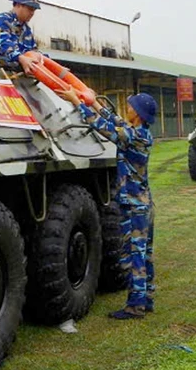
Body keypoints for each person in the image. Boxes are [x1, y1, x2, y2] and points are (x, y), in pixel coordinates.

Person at [56, 88, 158, 320]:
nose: (128, 108)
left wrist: (78, 103)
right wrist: (95, 104)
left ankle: (135, 306)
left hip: (134, 207)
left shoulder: (132, 136)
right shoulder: (139, 132)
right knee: (144, 253)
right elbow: (116, 121)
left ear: (139, 114)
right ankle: (146, 299)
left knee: (134, 255)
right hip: (143, 205)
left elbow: (103, 127)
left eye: (132, 106)